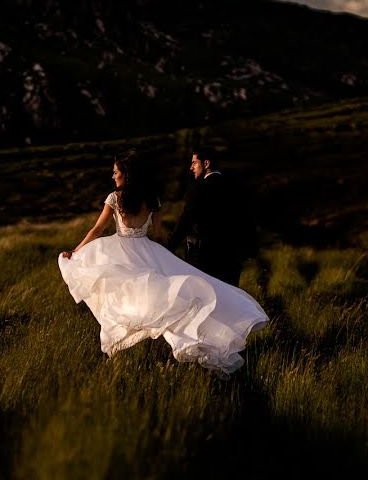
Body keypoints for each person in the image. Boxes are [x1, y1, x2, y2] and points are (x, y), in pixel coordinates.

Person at [58, 149, 268, 376]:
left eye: (115, 172)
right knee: (161, 302)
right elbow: (159, 235)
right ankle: (170, 346)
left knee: (127, 301)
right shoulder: (152, 200)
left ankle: (142, 352)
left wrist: (76, 250)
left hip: (121, 252)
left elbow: (97, 229)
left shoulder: (114, 198)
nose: (113, 176)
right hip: (148, 252)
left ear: (125, 175)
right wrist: (167, 254)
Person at [168, 146, 257, 287]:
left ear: (206, 163)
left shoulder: (199, 188)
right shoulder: (236, 186)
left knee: (205, 301)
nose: (191, 168)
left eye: (194, 163)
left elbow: (186, 219)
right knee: (230, 301)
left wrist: (169, 246)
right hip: (232, 258)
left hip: (204, 258)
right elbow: (247, 219)